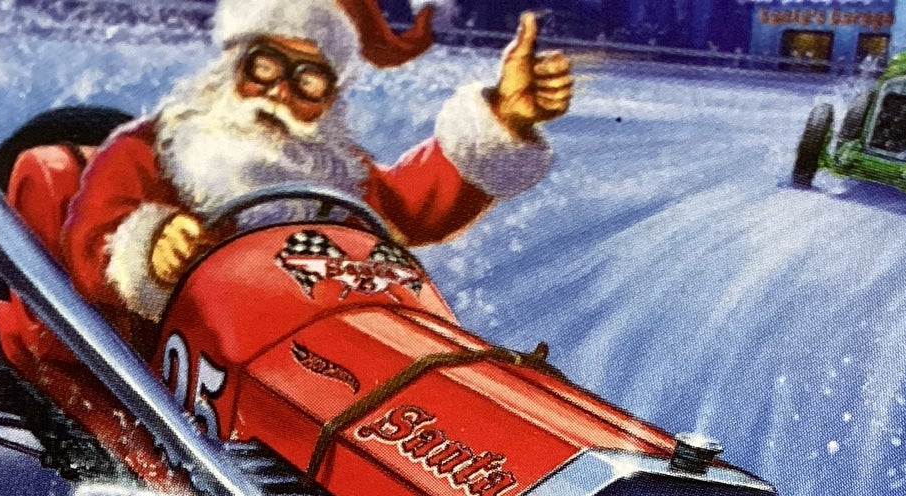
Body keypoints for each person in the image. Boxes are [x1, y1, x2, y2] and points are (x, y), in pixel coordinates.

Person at [60, 0, 574, 340]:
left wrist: (504, 117)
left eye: (308, 80)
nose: (279, 91)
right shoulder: (149, 149)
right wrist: (150, 249)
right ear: (232, 64)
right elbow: (92, 243)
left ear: (329, 100)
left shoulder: (331, 173)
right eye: (265, 65)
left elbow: (411, 207)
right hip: (173, 360)